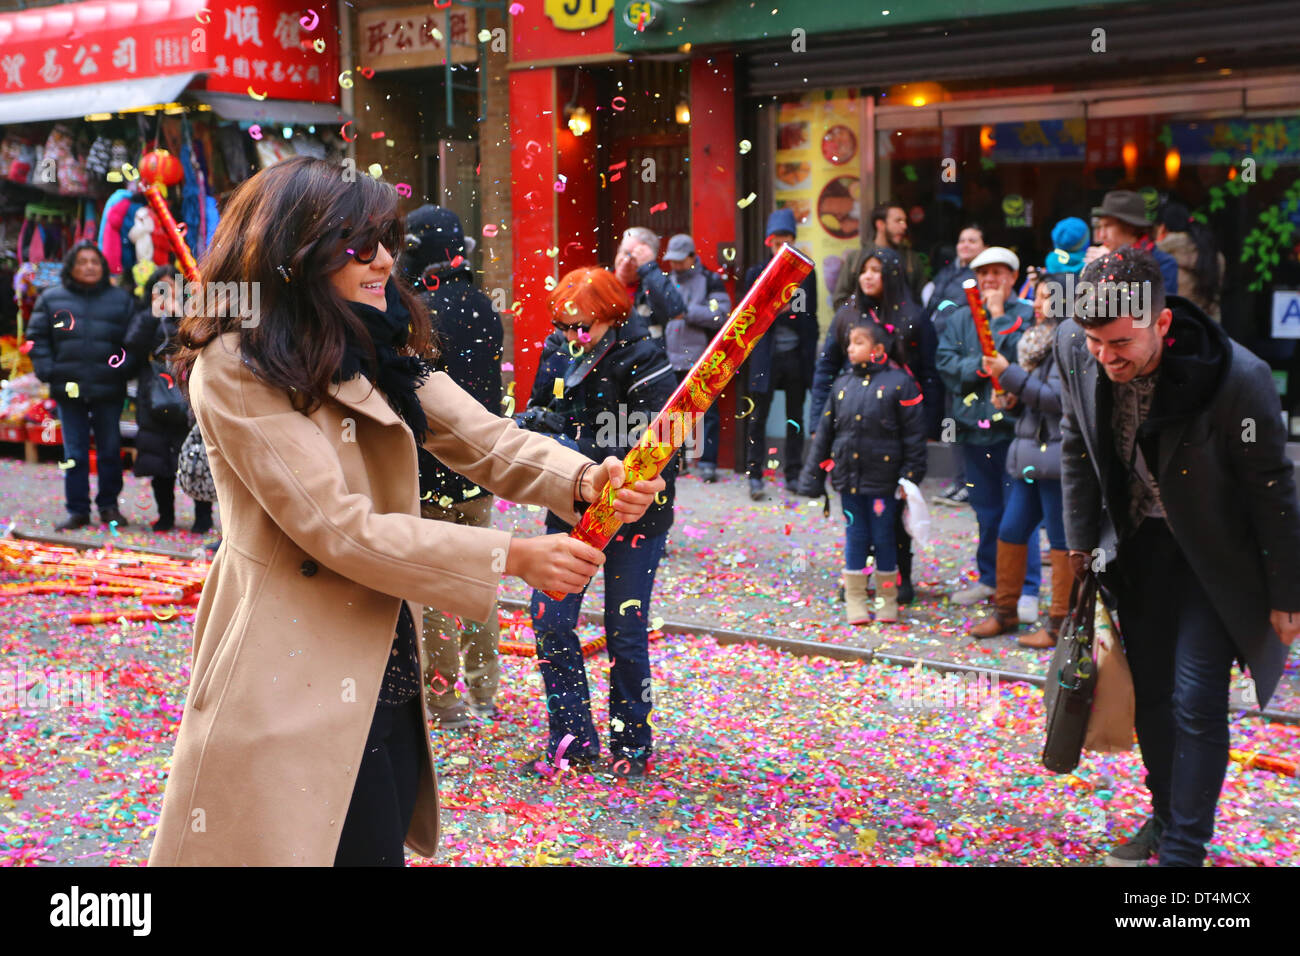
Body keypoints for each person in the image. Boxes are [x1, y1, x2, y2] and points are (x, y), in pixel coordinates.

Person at [147, 158, 663, 867]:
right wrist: (512, 557)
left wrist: (584, 478)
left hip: (381, 655)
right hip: (283, 664)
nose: (385, 259)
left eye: (387, 239)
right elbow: (335, 527)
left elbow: (487, 439)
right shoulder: (236, 364)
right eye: (360, 243)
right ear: (296, 249)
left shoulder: (374, 344)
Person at [1056, 248, 1300, 867]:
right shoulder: (1072, 349)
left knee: (1196, 697)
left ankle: (1184, 853)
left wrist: (1287, 592)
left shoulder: (1236, 378)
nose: (1105, 357)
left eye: (1120, 343)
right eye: (1093, 341)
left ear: (1162, 325)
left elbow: (1272, 486)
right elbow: (1076, 445)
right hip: (1138, 549)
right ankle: (1167, 818)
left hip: (1216, 558)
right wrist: (1080, 546)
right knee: (1155, 697)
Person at [520, 267, 678, 779]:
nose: (571, 336)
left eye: (581, 326)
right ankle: (572, 739)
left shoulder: (646, 358)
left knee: (624, 631)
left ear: (611, 316)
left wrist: (575, 450)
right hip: (568, 505)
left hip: (635, 513)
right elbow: (538, 414)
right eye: (564, 325)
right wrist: (537, 429)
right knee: (550, 620)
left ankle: (632, 744)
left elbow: (657, 450)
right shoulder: (557, 348)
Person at [400, 204, 506, 729]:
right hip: (479, 471)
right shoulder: (483, 304)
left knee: (437, 585)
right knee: (477, 579)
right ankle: (484, 691)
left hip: (427, 467)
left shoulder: (419, 310)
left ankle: (444, 700)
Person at [808, 245, 937, 603]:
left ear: (891, 274)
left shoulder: (913, 316)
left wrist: (926, 426)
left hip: (895, 429)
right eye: (864, 269)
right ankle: (858, 579)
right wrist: (819, 420)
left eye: (876, 270)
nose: (867, 276)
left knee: (895, 510)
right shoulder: (846, 315)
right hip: (853, 426)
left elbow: (929, 373)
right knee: (858, 511)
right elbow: (825, 369)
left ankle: (899, 579)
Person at [934, 246, 1043, 614]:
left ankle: (1025, 589)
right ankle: (990, 579)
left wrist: (997, 318)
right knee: (986, 511)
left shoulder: (1029, 316)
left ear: (1013, 278)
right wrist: (981, 369)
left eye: (997, 273)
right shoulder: (960, 317)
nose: (989, 281)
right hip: (971, 429)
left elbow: (1024, 361)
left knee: (1020, 513)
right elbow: (946, 364)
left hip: (1016, 432)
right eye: (983, 274)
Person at [797, 319, 925, 624]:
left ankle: (886, 598)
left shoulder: (900, 384)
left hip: (884, 483)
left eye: (858, 343)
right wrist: (812, 477)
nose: (850, 349)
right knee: (856, 536)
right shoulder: (842, 385)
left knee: (884, 537)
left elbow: (914, 436)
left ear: (878, 349)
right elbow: (825, 433)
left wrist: (910, 476)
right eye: (849, 343)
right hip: (849, 480)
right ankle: (855, 597)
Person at [968, 274, 1069, 645]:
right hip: (1029, 453)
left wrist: (1008, 376)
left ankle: (1060, 622)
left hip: (1057, 458)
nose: (1037, 303)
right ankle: (1005, 612)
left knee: (1059, 540)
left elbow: (1057, 401)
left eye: (1045, 297)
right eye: (1037, 296)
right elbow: (1034, 401)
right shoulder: (1034, 342)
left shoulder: (1069, 342)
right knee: (1010, 531)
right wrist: (1010, 400)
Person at [26, 240, 138, 531]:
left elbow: (135, 341)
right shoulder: (52, 299)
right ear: (71, 267)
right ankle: (77, 510)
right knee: (74, 453)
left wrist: (123, 368)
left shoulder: (121, 300)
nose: (89, 266)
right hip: (69, 389)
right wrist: (48, 371)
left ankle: (109, 506)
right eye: (82, 261)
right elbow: (37, 339)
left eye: (94, 262)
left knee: (110, 450)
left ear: (102, 267)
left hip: (108, 388)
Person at [122, 265, 213, 535]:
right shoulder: (143, 317)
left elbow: (200, 345)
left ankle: (203, 516)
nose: (166, 292)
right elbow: (131, 349)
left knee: (196, 457)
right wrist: (152, 316)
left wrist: (179, 315)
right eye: (160, 287)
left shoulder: (195, 315)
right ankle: (165, 516)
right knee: (157, 460)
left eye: (172, 286)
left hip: (189, 396)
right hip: (154, 397)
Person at [742, 208, 819, 501]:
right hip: (765, 356)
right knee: (757, 418)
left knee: (794, 418)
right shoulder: (755, 273)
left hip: (796, 357)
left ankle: (794, 474)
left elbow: (809, 318)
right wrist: (777, 310)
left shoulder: (806, 276)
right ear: (768, 243)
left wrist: (812, 362)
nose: (781, 249)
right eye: (776, 243)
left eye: (787, 242)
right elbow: (747, 317)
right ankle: (755, 477)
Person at [925, 224, 987, 507]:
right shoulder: (948, 271)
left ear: (983, 246)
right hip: (943, 356)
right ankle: (960, 480)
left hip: (967, 357)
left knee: (966, 419)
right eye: (962, 239)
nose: (965, 245)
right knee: (951, 421)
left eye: (972, 240)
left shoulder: (981, 276)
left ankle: (971, 484)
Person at [663, 232, 731, 482]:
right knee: (675, 412)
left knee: (708, 412)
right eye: (672, 260)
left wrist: (686, 312)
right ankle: (677, 461)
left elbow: (721, 314)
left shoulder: (710, 280)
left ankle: (709, 462)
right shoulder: (666, 281)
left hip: (703, 356)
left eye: (680, 260)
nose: (676, 265)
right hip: (669, 356)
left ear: (692, 257)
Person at [832, 202, 929, 309]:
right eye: (898, 221)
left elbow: (923, 301)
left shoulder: (912, 260)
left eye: (905, 221)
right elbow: (839, 301)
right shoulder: (856, 258)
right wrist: (861, 319)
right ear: (880, 224)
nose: (904, 226)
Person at [1091, 190, 1179, 294]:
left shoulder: (1164, 263)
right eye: (1100, 227)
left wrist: (1113, 266)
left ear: (1130, 227)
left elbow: (1155, 305)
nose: (1102, 235)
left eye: (1108, 226)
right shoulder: (1099, 258)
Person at [613, 226, 686, 343]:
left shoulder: (653, 285)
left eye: (633, 258)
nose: (626, 261)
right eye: (625, 252)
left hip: (646, 357)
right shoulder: (600, 280)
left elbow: (675, 311)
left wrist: (649, 268)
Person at [1156, 202, 1224, 321]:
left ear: (1163, 228)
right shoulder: (1211, 252)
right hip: (1210, 327)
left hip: (1180, 325)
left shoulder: (1161, 251)